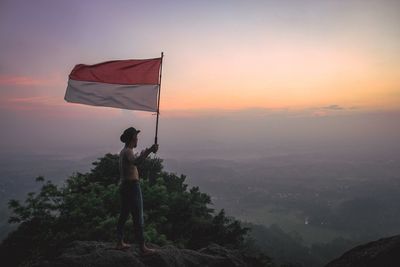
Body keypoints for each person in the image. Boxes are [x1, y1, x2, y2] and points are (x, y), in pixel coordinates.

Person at [116, 126, 159, 255]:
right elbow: (137, 162)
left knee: (124, 215)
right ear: (132, 138)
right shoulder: (128, 151)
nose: (137, 140)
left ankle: (119, 242)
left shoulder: (124, 151)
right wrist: (150, 151)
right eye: (136, 137)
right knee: (138, 216)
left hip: (125, 186)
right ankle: (142, 247)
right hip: (132, 187)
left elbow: (134, 162)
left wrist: (146, 152)